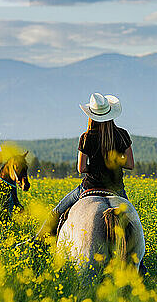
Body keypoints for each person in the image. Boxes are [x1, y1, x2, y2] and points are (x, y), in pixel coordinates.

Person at [37, 93, 134, 238]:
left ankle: (36, 242)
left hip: (90, 186)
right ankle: (140, 260)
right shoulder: (122, 135)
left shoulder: (86, 137)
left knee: (56, 212)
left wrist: (95, 168)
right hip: (116, 188)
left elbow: (81, 168)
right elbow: (130, 164)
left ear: (92, 115)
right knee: (133, 224)